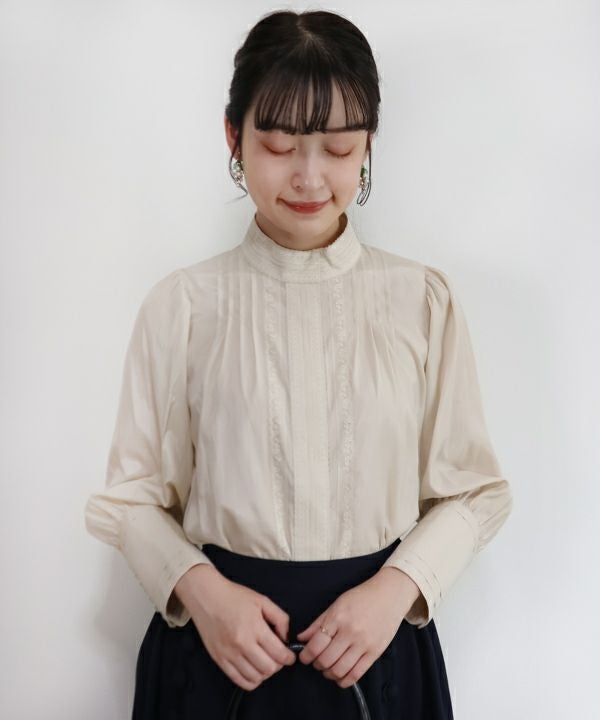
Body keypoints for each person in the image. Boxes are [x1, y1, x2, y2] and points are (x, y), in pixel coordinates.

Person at [84, 9, 513, 720]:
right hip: (217, 660)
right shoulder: (184, 306)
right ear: (234, 137)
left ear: (369, 144)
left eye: (339, 149)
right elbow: (130, 496)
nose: (310, 177)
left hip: (379, 660)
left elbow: (475, 491)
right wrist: (202, 592)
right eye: (280, 145)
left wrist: (397, 589)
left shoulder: (421, 301)